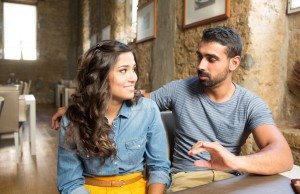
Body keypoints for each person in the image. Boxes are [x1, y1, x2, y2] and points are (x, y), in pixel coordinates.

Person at [52, 27, 293, 192]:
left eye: (211, 59)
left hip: (231, 180)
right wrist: (80, 107)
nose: (200, 65)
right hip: (187, 180)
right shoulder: (179, 90)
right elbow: (134, 98)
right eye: (199, 56)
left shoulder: (250, 103)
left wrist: (234, 161)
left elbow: (283, 157)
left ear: (234, 63)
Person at [56, 40, 171, 194]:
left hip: (137, 189)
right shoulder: (72, 119)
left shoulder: (148, 110)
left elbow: (159, 167)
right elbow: (70, 182)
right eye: (123, 70)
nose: (134, 78)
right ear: (99, 76)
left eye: (133, 69)